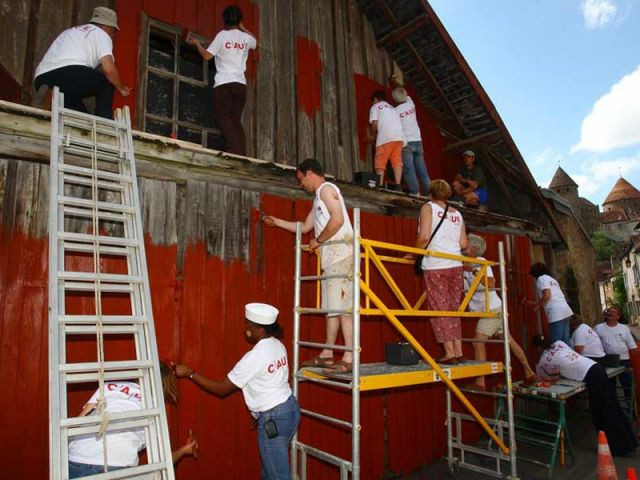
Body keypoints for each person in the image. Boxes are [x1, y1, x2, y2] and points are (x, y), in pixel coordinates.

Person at [174, 303, 300, 480]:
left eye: (249, 325)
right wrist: (256, 414)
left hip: (274, 418)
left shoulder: (254, 357)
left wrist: (190, 373)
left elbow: (222, 389)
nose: (245, 328)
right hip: (290, 411)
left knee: (278, 475)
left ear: (261, 331)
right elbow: (269, 382)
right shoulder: (278, 345)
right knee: (269, 470)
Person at [263, 158, 354, 373]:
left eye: (300, 178)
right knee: (333, 308)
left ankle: (349, 357)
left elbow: (338, 219)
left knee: (343, 310)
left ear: (310, 173)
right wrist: (277, 221)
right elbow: (304, 227)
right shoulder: (318, 198)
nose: (300, 184)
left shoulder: (326, 189)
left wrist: (318, 240)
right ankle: (328, 352)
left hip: (341, 254)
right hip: (334, 257)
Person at [68, 362, 198, 478]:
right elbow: (163, 460)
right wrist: (184, 450)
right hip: (118, 465)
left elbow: (80, 421)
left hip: (78, 458)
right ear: (164, 387)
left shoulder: (108, 386)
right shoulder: (154, 407)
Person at [534, 337, 637, 456]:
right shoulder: (559, 343)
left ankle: (615, 448)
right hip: (596, 367)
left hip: (590, 375)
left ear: (538, 348)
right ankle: (628, 443)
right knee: (611, 405)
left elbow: (544, 377)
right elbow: (570, 360)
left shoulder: (544, 360)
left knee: (601, 412)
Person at [464, 234, 538, 389]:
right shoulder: (465, 264)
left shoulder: (481, 263)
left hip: (491, 309)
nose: (463, 246)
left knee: (478, 342)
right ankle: (529, 372)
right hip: (490, 309)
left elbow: (491, 283)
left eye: (466, 244)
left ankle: (480, 381)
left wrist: (474, 271)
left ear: (474, 248)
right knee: (509, 341)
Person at [34, 7, 130, 119]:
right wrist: (121, 89)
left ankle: (50, 98)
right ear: (107, 26)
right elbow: (108, 69)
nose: (113, 35)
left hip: (43, 79)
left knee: (82, 117)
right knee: (107, 84)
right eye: (114, 31)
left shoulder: (71, 31)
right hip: (68, 74)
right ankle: (105, 124)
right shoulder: (102, 34)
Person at [189, 5, 256, 155]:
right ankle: (241, 152)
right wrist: (243, 27)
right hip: (240, 84)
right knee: (235, 119)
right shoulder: (246, 38)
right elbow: (255, 41)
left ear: (225, 21)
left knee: (222, 117)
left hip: (224, 83)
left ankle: (234, 151)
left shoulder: (222, 36)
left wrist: (197, 44)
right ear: (239, 21)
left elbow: (207, 56)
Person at [416, 179, 468, 364]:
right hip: (456, 264)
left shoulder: (428, 208)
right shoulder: (457, 214)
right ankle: (458, 350)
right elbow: (464, 244)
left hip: (436, 264)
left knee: (439, 308)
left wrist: (413, 254)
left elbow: (424, 237)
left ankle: (449, 353)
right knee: (453, 308)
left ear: (430, 193)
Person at [594, 305, 638, 408]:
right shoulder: (598, 328)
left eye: (613, 312)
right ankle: (614, 411)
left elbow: (633, 347)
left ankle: (631, 409)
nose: (610, 313)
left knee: (628, 387)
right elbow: (593, 344)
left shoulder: (624, 328)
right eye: (609, 311)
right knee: (609, 388)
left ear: (618, 316)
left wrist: (635, 363)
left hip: (624, 361)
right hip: (607, 361)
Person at [391, 85, 430, 195]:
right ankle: (429, 193)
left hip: (406, 143)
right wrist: (394, 82)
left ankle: (415, 192)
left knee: (409, 170)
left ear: (395, 99)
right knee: (422, 170)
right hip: (418, 140)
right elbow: (406, 94)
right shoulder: (410, 103)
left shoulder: (395, 111)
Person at [525, 262, 573, 345]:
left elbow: (547, 295)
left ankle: (557, 357)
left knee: (556, 343)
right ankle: (573, 357)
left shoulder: (541, 279)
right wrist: (532, 303)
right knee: (566, 342)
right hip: (565, 310)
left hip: (556, 313)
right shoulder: (551, 279)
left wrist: (538, 307)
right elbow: (548, 298)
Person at [367, 90, 405, 190]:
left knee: (380, 161)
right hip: (399, 137)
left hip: (385, 137)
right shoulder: (393, 108)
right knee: (397, 161)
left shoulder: (375, 107)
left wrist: (372, 136)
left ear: (376, 99)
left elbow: (374, 123)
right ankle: (398, 185)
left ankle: (379, 185)